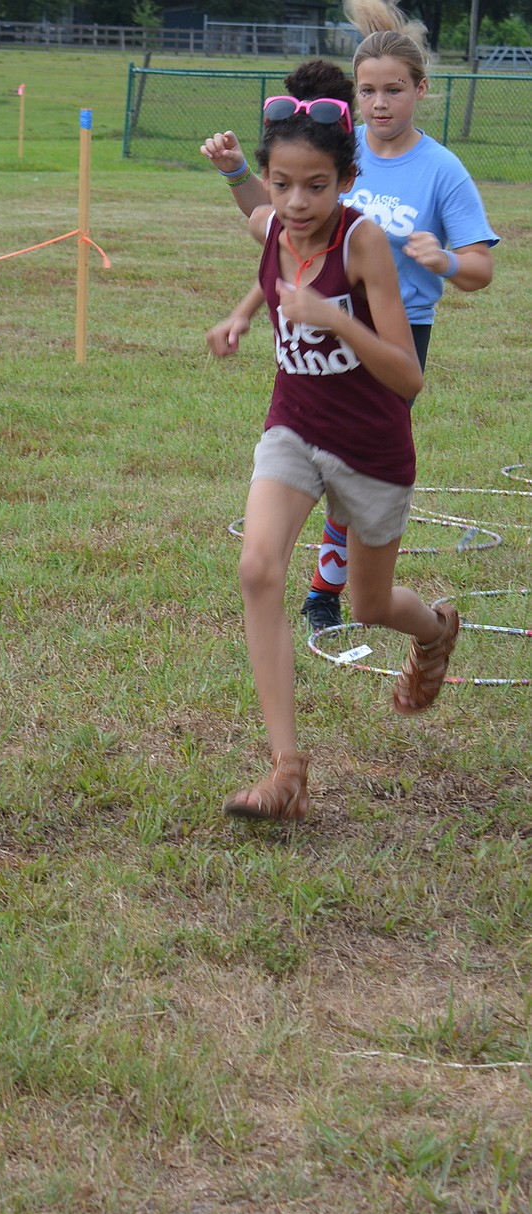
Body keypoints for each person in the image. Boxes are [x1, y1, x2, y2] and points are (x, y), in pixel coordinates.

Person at [207, 59, 460, 822]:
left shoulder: (364, 245)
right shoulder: (274, 222)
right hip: (294, 428)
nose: (295, 202)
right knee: (257, 570)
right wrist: (244, 312)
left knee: (370, 604)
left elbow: (408, 381)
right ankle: (286, 769)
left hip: (373, 452)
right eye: (282, 184)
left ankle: (436, 629)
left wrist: (337, 318)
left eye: (315, 185)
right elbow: (266, 234)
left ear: (345, 180)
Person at [201, 0, 498, 632]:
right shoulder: (337, 148)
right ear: (354, 97)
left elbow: (480, 267)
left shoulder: (442, 171)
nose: (380, 104)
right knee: (309, 449)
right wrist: (237, 174)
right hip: (313, 323)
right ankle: (319, 589)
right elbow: (276, 223)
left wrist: (443, 260)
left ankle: (326, 591)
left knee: (357, 460)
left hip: (393, 334)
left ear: (421, 90)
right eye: (368, 91)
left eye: (395, 90)